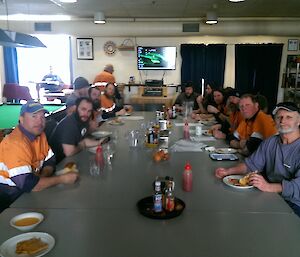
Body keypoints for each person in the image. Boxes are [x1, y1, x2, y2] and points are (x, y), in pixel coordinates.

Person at [215, 102, 300, 216]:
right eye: (279, 117)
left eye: (288, 117)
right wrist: (228, 171)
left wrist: (268, 186)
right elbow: (251, 165)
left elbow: (298, 187)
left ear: (298, 121)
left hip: (294, 203)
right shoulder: (271, 142)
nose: (282, 121)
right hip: (271, 195)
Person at [0, 101, 79, 211]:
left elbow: (50, 160)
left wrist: (42, 176)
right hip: (10, 200)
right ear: (21, 119)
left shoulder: (39, 135)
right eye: (34, 116)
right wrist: (63, 179)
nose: (40, 121)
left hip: (29, 194)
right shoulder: (15, 143)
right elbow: (30, 185)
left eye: (42, 117)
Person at [50, 97, 105, 164]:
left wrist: (100, 142)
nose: (86, 114)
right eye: (83, 109)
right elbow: (69, 152)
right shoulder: (69, 124)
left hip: (72, 158)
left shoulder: (83, 119)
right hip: (59, 164)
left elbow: (83, 141)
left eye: (89, 111)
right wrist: (82, 145)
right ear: (76, 108)